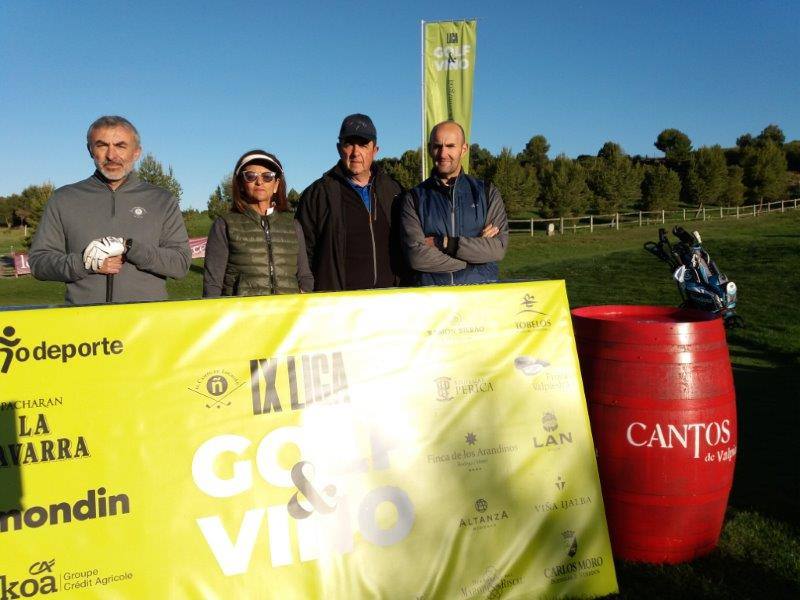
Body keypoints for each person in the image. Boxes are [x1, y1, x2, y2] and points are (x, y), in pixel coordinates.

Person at [29, 115, 190, 304]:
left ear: (137, 152)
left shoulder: (162, 200)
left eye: (121, 145)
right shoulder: (63, 199)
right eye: (102, 145)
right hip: (84, 324)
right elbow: (39, 263)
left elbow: (180, 265)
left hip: (147, 324)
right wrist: (85, 262)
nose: (111, 155)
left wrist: (130, 248)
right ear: (90, 150)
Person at [295, 113, 405, 291]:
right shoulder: (317, 194)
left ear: (375, 150)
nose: (355, 153)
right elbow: (303, 254)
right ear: (339, 148)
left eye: (363, 144)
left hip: (389, 302)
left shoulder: (394, 191)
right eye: (349, 144)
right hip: (339, 306)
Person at [400, 120, 508, 286]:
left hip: (481, 300)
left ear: (463, 149)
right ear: (429, 149)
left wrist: (445, 243)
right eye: (437, 146)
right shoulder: (413, 198)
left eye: (450, 146)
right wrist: (473, 259)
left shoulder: (487, 193)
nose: (443, 154)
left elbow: (497, 249)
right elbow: (416, 257)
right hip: (434, 302)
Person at [202, 150, 313, 297]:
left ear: (276, 185)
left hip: (286, 316)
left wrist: (304, 292)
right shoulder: (224, 225)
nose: (260, 182)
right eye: (251, 176)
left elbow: (305, 276)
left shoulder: (293, 226)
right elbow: (212, 283)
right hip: (242, 317)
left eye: (268, 176)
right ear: (241, 184)